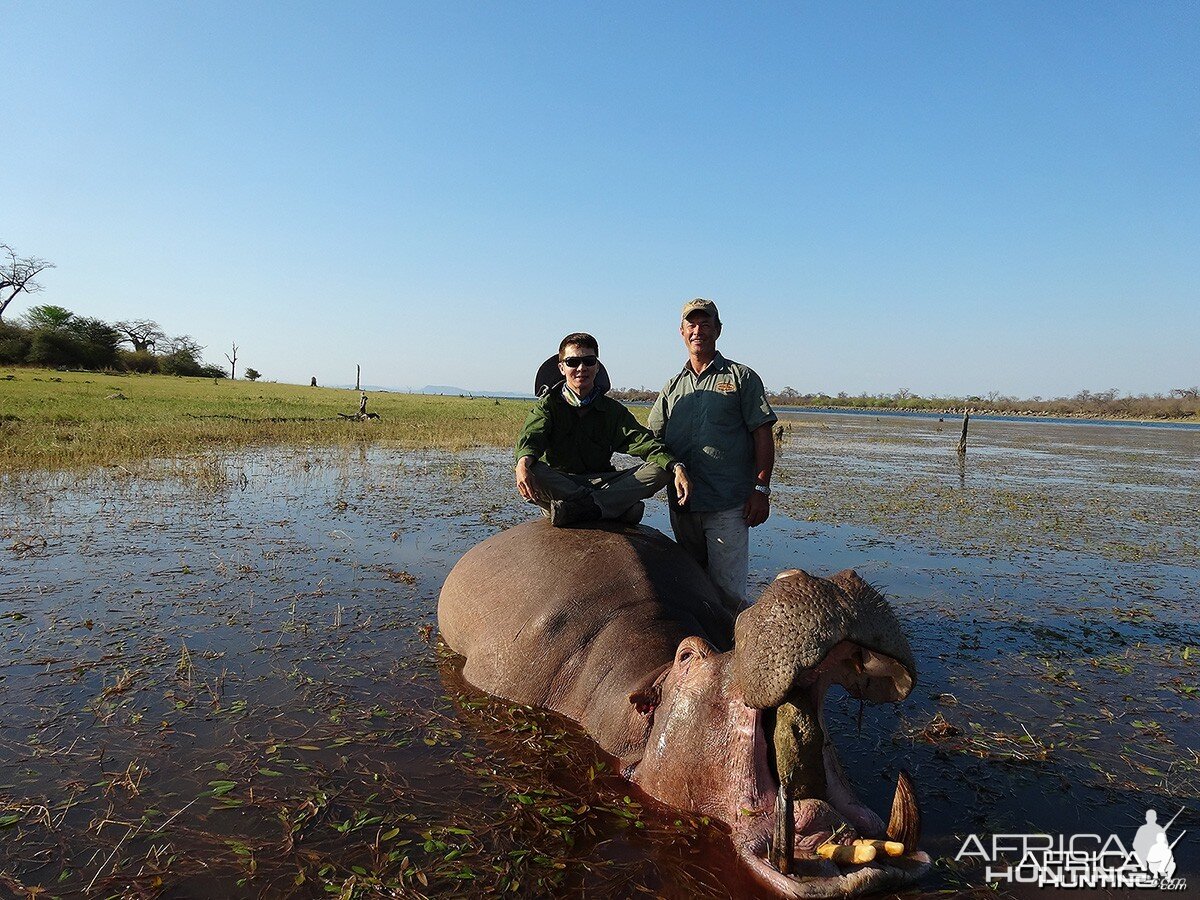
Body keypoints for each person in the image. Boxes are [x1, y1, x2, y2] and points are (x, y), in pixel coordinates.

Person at [649, 299, 777, 613]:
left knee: (727, 595)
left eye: (705, 324)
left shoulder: (741, 378)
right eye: (691, 325)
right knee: (691, 589)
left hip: (728, 505)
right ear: (681, 332)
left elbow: (763, 433)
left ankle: (735, 656)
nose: (698, 331)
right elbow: (650, 439)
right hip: (684, 506)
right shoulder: (672, 387)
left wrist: (761, 490)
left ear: (717, 330)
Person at [515, 332, 690, 527]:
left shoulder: (612, 410)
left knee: (661, 468)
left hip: (603, 481)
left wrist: (676, 466)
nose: (581, 368)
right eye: (573, 362)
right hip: (563, 483)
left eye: (588, 361)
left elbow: (643, 442)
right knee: (533, 469)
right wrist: (523, 464)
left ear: (597, 366)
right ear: (561, 367)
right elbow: (531, 439)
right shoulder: (547, 406)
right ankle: (609, 507)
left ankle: (581, 507)